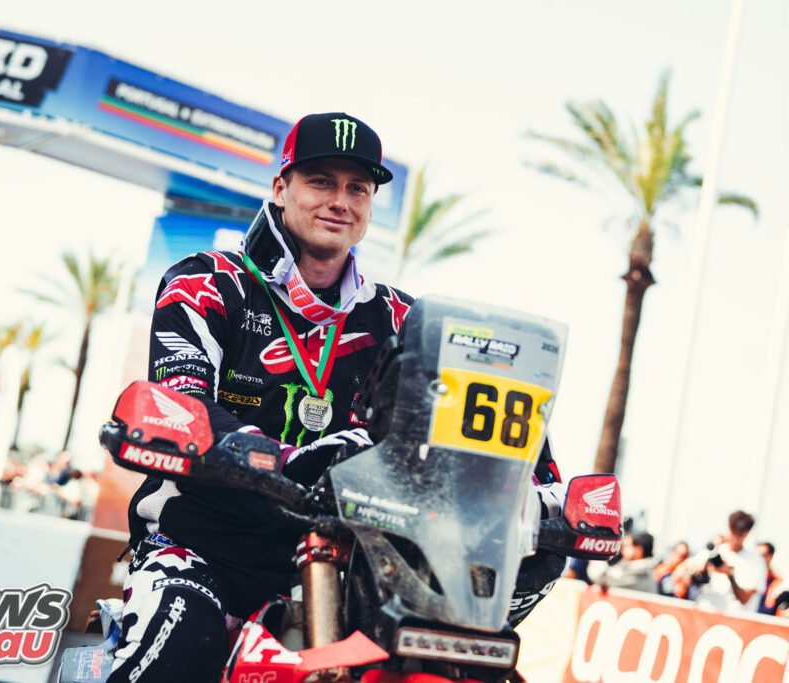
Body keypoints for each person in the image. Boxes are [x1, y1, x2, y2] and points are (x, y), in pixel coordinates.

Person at [112, 112, 568, 682]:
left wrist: (544, 497)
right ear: (281, 188)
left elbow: (496, 448)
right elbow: (180, 403)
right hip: (205, 546)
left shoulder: (407, 321)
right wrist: (295, 459)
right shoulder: (205, 282)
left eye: (357, 188)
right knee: (179, 639)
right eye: (320, 181)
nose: (340, 201)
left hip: (359, 568)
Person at [673, 510, 768, 613]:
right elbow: (677, 576)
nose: (735, 539)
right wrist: (697, 572)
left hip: (734, 619)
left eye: (740, 534)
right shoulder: (714, 551)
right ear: (728, 528)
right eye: (733, 532)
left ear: (747, 533)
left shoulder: (756, 562)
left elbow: (744, 599)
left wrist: (729, 575)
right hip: (703, 614)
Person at [587, 532, 656, 593]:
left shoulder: (642, 571)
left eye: (626, 546)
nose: (622, 549)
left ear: (639, 550)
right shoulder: (631, 565)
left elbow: (606, 580)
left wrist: (595, 559)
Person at [757, 542, 783, 616]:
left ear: (770, 556)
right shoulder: (746, 578)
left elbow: (769, 608)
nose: (758, 559)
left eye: (762, 556)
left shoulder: (776, 582)